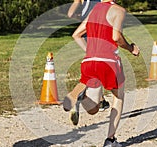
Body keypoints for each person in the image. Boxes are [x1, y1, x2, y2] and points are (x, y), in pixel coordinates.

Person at [71, 0, 140, 146]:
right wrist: (131, 48)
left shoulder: (93, 10)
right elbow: (116, 38)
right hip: (109, 62)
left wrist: (90, 52)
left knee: (93, 109)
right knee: (118, 96)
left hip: (89, 61)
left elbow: (76, 35)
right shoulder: (118, 10)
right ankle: (110, 140)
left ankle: (81, 97)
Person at [64, 0, 110, 112]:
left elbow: (70, 13)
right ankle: (80, 93)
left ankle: (100, 99)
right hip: (99, 26)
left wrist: (79, 17)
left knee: (95, 63)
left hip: (85, 29)